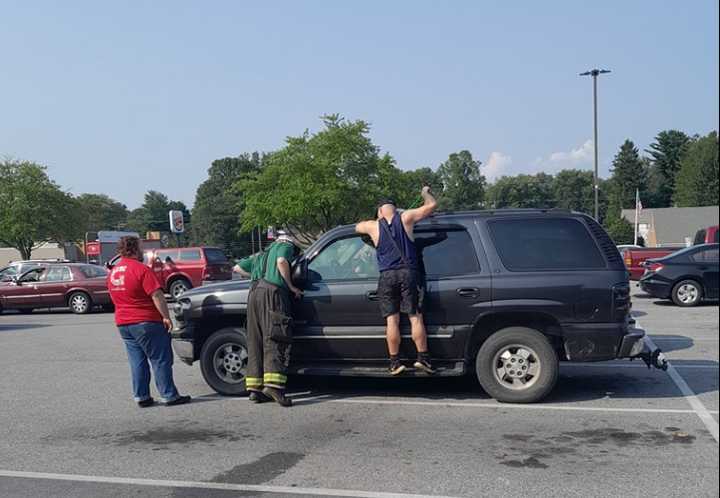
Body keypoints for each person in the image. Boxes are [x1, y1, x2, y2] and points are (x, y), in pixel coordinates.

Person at [356, 186, 438, 375]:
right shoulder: (406, 218)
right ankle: (423, 358)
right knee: (415, 317)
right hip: (408, 274)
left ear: (379, 210)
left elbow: (356, 227)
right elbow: (432, 205)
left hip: (386, 276)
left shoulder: (372, 226)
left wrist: (376, 220)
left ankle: (394, 362)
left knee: (391, 322)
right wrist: (425, 192)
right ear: (395, 207)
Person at [107, 236, 191, 408]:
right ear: (134, 249)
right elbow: (157, 295)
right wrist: (166, 317)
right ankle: (169, 395)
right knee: (160, 359)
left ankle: (142, 396)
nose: (143, 251)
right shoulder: (141, 269)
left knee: (137, 361)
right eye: (141, 247)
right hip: (146, 321)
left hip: (124, 323)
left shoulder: (114, 271)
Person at [235, 231, 303, 407]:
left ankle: (255, 389)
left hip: (254, 293)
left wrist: (256, 277)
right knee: (274, 337)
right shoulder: (285, 246)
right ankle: (274, 387)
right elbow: (281, 262)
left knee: (255, 339)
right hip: (272, 294)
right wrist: (291, 286)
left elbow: (237, 267)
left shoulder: (262, 254)